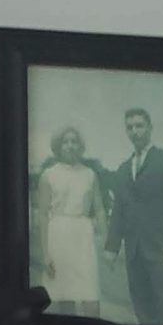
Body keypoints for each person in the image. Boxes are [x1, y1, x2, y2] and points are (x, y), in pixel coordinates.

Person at [106, 107, 163, 325]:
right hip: (134, 252)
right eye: (130, 127)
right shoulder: (123, 169)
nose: (135, 131)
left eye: (139, 126)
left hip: (161, 249)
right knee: (143, 311)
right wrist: (111, 247)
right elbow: (119, 211)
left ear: (150, 128)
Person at [32, 126, 107, 315]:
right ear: (58, 146)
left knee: (90, 292)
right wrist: (46, 253)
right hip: (58, 234)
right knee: (64, 295)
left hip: (83, 234)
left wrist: (105, 240)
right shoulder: (48, 175)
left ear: (80, 146)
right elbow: (42, 214)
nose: (70, 146)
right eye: (65, 142)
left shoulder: (90, 174)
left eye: (74, 141)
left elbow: (99, 209)